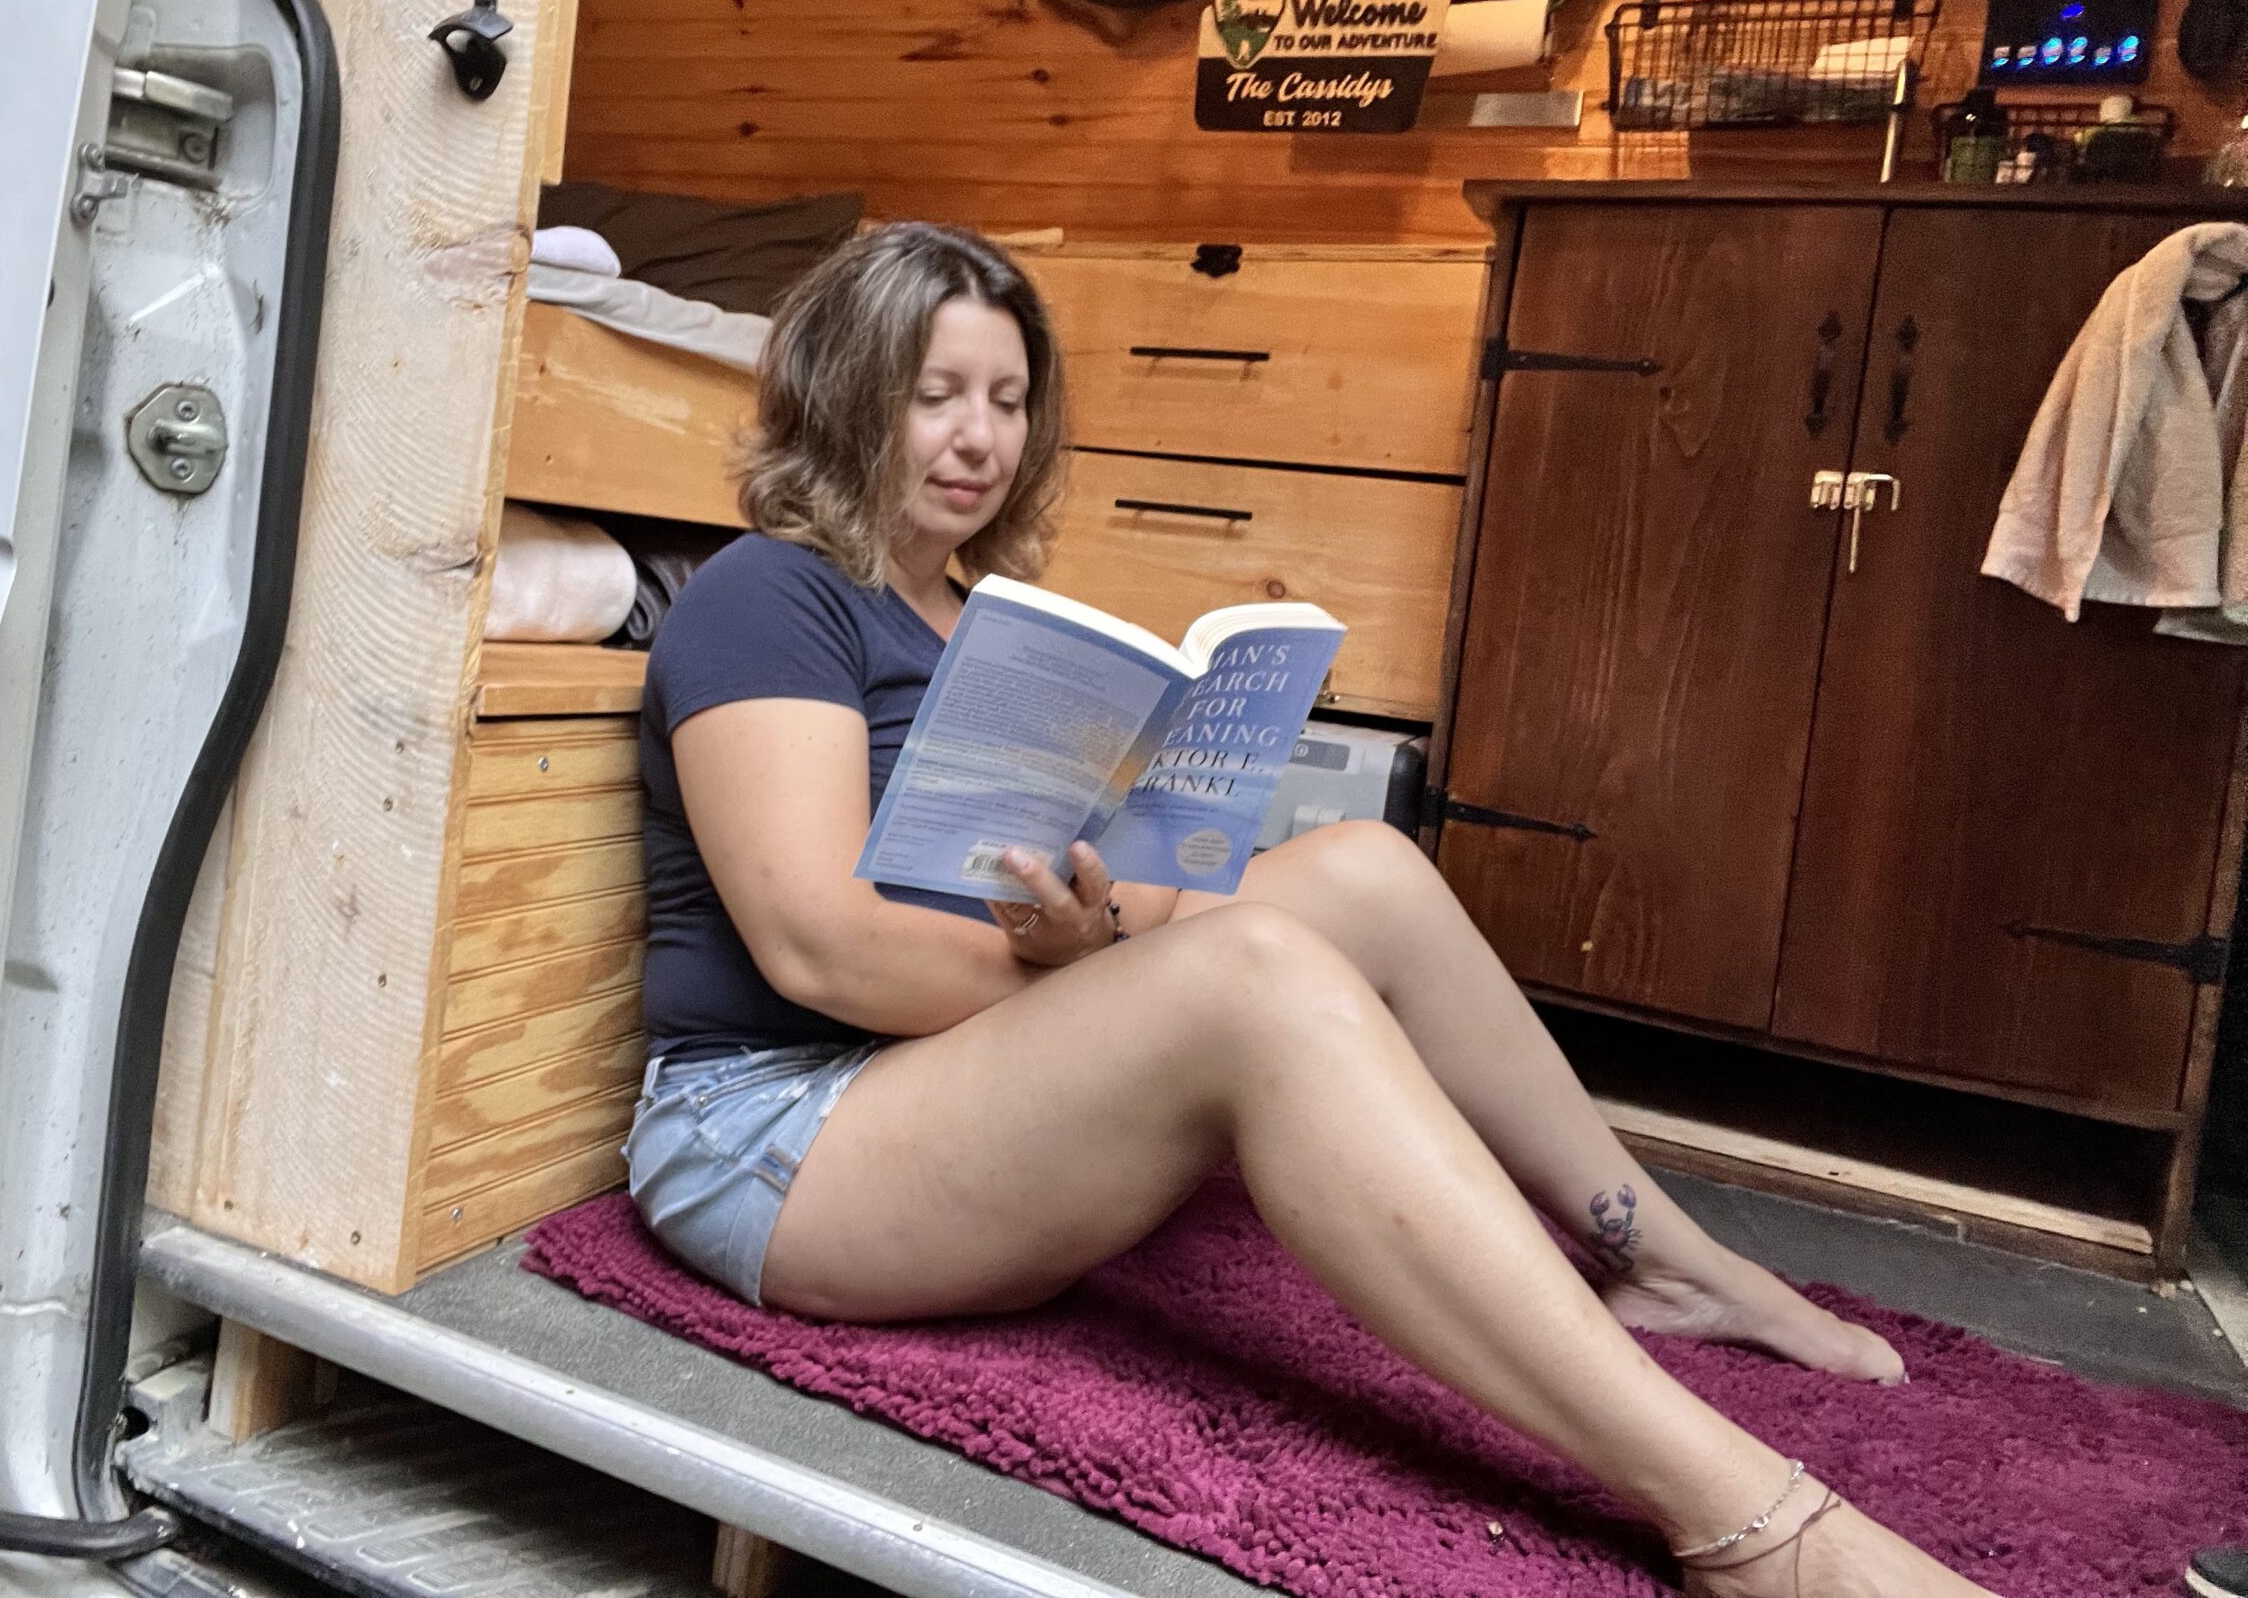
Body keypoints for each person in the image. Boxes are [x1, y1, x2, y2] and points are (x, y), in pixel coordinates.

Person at [625, 221, 1992, 1598]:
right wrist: (1099, 970)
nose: (980, 436)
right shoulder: (770, 593)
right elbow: (820, 947)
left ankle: (1677, 1263)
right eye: (936, 395)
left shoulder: (986, 619)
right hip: (771, 1136)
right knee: (1255, 972)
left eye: (1009, 397)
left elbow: (1135, 893)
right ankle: (1748, 1526)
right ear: (850, 392)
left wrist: (1109, 915)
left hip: (939, 1071)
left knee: (1364, 873)